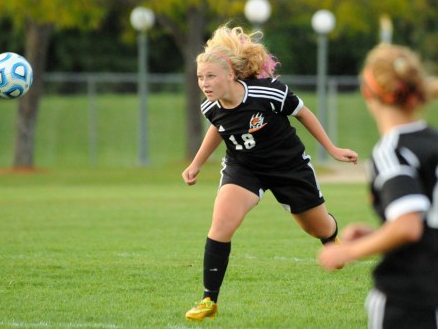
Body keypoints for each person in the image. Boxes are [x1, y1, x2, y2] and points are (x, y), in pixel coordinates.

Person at [182, 24, 358, 322]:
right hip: (244, 168)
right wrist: (196, 163)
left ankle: (331, 237)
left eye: (210, 76)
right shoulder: (209, 105)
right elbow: (219, 128)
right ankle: (208, 300)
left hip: (288, 167)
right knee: (221, 223)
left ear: (230, 75)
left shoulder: (268, 93)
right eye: (200, 77)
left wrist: (332, 149)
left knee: (316, 228)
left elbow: (302, 112)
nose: (205, 83)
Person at [318, 44, 438, 329]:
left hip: (409, 298)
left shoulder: (391, 152)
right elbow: (427, 222)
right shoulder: (433, 142)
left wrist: (347, 251)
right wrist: (378, 234)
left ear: (367, 93)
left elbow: (408, 226)